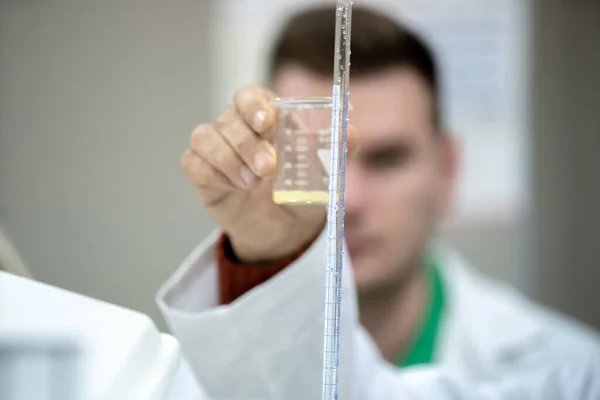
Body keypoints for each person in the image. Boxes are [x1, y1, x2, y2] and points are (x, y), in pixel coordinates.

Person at [156, 5, 600, 399]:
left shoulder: (575, 372)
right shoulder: (168, 383)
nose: (349, 202)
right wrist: (266, 256)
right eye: (319, 157)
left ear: (447, 168)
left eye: (388, 160)